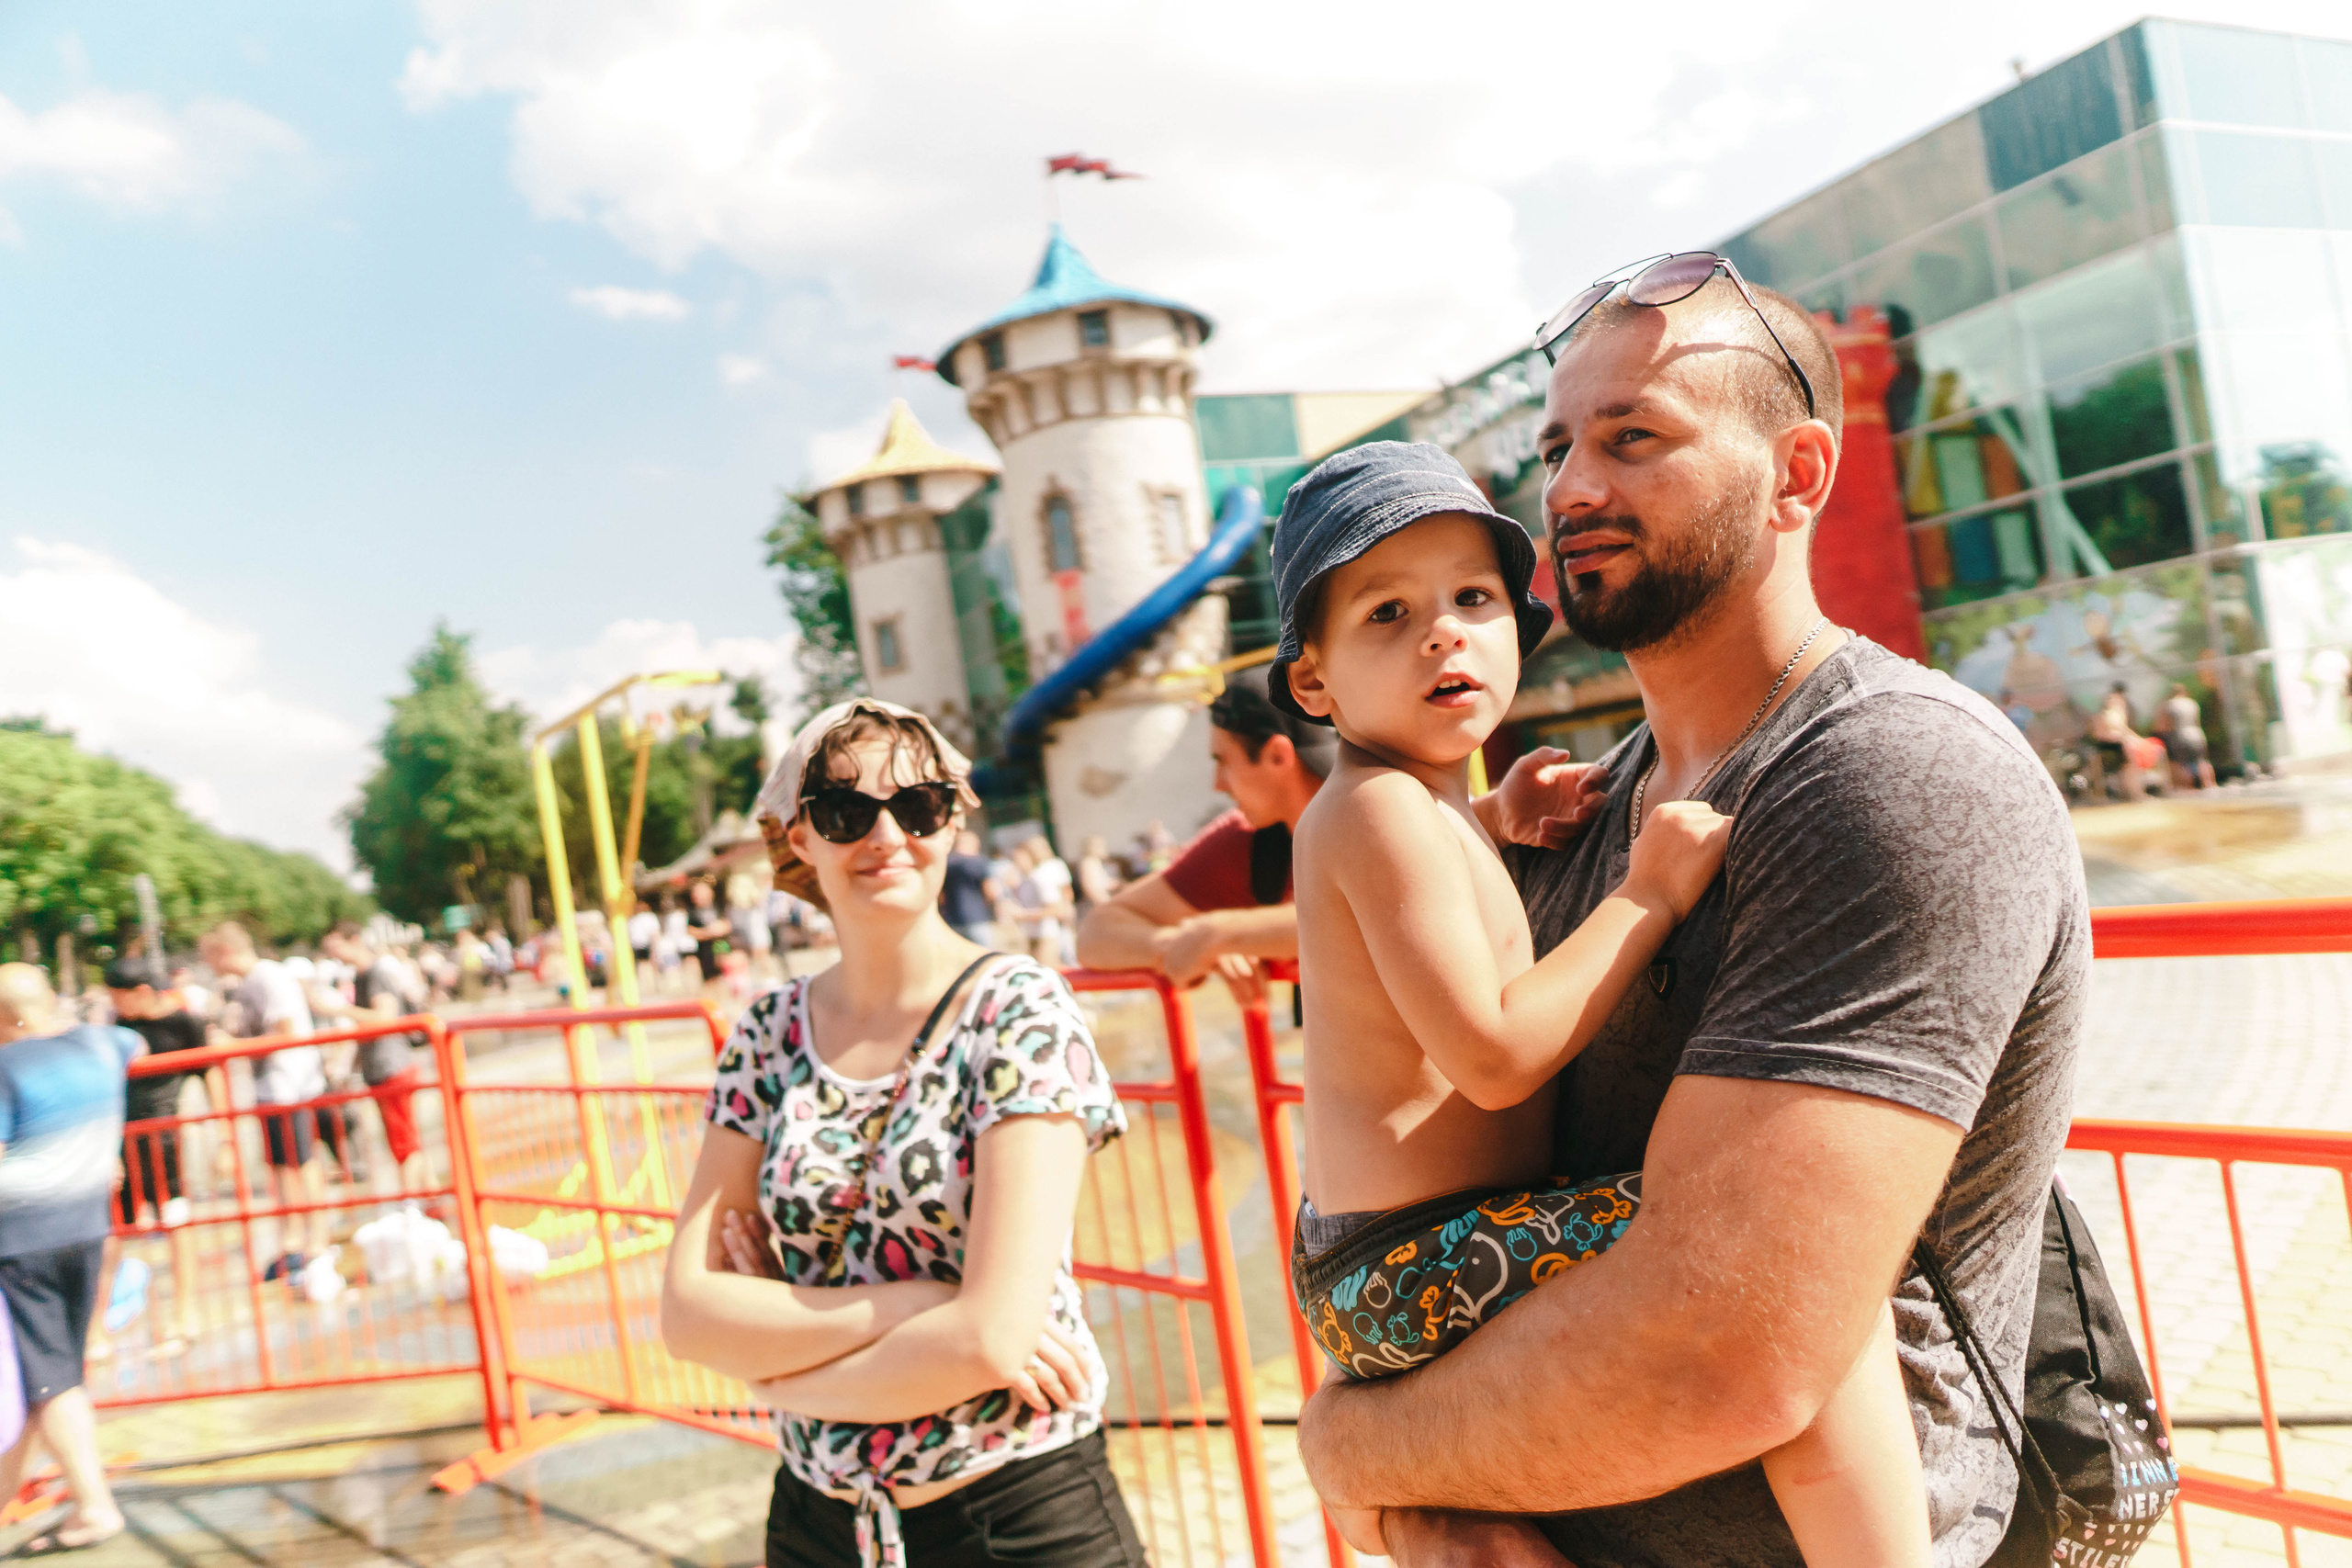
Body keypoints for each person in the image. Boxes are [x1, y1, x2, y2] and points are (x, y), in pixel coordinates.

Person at [1295, 254, 2086, 1565]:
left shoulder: (1887, 774)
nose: (1570, 489)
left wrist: (1350, 1448)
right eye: (1556, 448)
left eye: (1633, 437)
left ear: (1801, 472)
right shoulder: (1572, 815)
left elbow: (1737, 1346)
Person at [1273, 443, 1927, 1564]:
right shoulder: (1377, 813)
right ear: (1314, 683)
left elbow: (1420, 905)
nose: (1442, 632)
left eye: (1473, 600)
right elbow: (1491, 1055)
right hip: (1413, 1257)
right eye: (1387, 613)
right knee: (1793, 1274)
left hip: (1382, 1256)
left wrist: (1494, 821)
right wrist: (1647, 893)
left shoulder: (1411, 809)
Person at [660, 697, 1143, 1568]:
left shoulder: (1018, 1010)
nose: (886, 835)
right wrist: (917, 1306)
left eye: (916, 805)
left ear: (953, 821)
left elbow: (992, 1336)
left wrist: (778, 1374)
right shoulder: (767, 1035)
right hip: (818, 1525)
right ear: (799, 837)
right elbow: (691, 1314)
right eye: (847, 811)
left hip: (1014, 1513)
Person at [1077, 669, 1600, 999]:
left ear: (1278, 756)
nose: (1217, 783)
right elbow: (1097, 934)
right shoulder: (1248, 845)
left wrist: (1218, 935)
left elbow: (1361, 909)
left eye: (1224, 762)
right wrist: (1178, 943)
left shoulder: (1390, 806)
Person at [0, 964, 133, 1553]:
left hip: (23, 1240)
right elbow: (136, 1040)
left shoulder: (6, 1068)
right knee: (50, 1376)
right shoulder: (104, 1045)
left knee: (51, 1382)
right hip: (86, 1229)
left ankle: (95, 1507)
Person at [93, 958, 209, 1359]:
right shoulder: (115, 1028)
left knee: (177, 1222)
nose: (114, 1004)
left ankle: (186, 1314)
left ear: (142, 992)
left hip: (166, 1141)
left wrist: (225, 1138)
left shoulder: (185, 1024)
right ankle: (95, 1329)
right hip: (123, 1140)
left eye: (118, 997)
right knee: (113, 1232)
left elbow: (211, 1073)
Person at [198, 922, 331, 1274]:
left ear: (224, 951)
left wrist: (233, 1045)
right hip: (273, 1087)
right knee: (283, 1167)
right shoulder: (249, 983)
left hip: (287, 1085)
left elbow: (284, 1032)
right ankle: (295, 1240)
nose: (204, 962)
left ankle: (314, 1239)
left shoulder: (268, 977)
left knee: (300, 1165)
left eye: (207, 954)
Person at [321, 923, 429, 1192]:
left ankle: (412, 1203)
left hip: (392, 1066)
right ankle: (429, 1201)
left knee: (405, 1141)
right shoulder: (361, 975)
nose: (333, 954)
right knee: (403, 1139)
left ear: (354, 940)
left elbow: (385, 1017)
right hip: (382, 1066)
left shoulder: (376, 973)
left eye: (336, 947)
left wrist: (340, 1010)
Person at [2086, 682, 2147, 802]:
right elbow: (2116, 730)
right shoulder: (2110, 713)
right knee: (2130, 766)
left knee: (2129, 766)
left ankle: (2133, 792)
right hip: (2112, 746)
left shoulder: (2106, 713)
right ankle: (2135, 793)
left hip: (2110, 746)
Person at [938, 829, 1000, 947]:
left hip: (952, 921)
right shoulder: (980, 862)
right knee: (984, 959)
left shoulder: (946, 864)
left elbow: (941, 897)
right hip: (978, 919)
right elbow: (991, 892)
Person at [2156, 682, 2217, 791]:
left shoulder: (2170, 704)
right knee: (2202, 761)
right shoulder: (2192, 703)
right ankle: (2209, 784)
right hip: (2197, 734)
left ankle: (2187, 787)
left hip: (2179, 735)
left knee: (2180, 763)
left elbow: (2164, 725)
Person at [686, 881, 730, 987]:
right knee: (710, 980)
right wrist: (708, 932)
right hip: (705, 952)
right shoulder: (692, 912)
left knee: (724, 977)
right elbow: (690, 931)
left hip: (721, 948)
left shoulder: (718, 908)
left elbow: (727, 924)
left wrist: (720, 929)